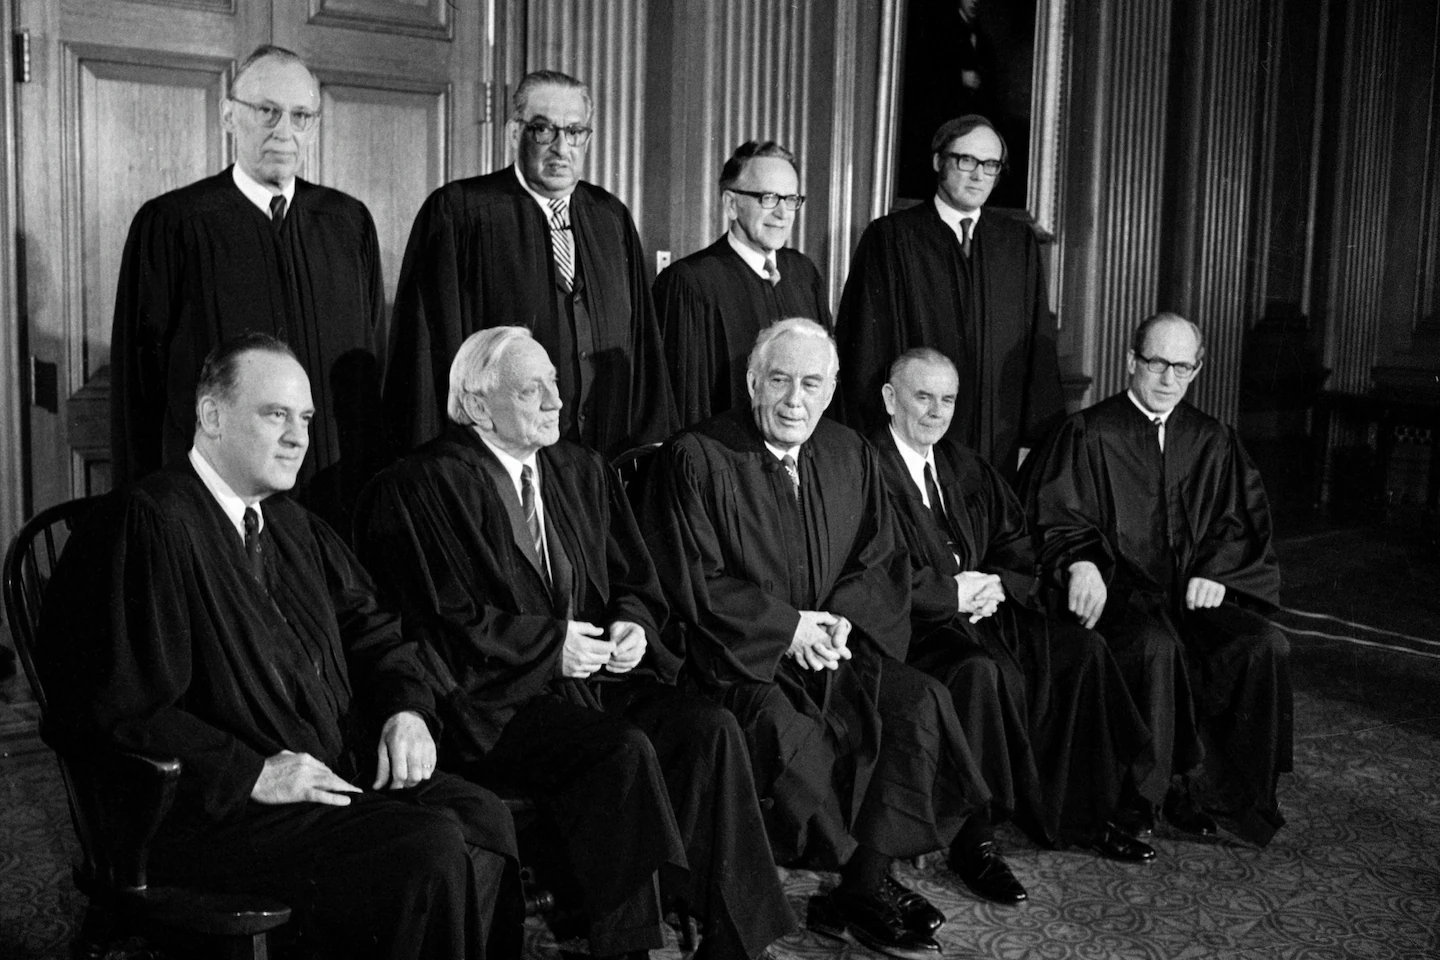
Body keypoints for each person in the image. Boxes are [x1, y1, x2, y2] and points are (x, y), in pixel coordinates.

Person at [37, 334, 519, 960]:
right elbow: (111, 710)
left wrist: (407, 710)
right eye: (276, 415)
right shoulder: (148, 522)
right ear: (212, 416)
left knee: (482, 817)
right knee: (424, 846)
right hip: (211, 811)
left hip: (325, 777)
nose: (299, 437)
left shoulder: (291, 522)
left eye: (307, 419)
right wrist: (253, 774)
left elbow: (375, 632)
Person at [354, 327, 795, 960]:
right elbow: (441, 622)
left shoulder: (579, 469)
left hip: (595, 682)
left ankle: (733, 942)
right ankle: (627, 949)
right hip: (497, 702)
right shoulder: (423, 486)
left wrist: (633, 626)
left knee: (710, 728)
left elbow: (635, 580)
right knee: (620, 751)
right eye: (533, 391)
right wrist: (550, 648)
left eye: (556, 386)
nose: (557, 403)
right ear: (479, 405)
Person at [641, 317, 994, 959]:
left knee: (918, 703)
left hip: (833, 647)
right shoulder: (698, 457)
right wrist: (787, 628)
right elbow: (693, 579)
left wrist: (838, 623)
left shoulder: (846, 452)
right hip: (739, 660)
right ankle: (833, 886)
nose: (793, 400)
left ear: (831, 390)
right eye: (778, 381)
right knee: (788, 731)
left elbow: (878, 557)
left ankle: (861, 885)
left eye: (810, 383)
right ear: (753, 383)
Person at [872, 348, 1156, 886]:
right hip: (918, 626)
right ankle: (971, 839)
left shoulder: (963, 463)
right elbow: (871, 569)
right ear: (891, 398)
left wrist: (997, 584)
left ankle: (1080, 815)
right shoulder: (865, 468)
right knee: (980, 672)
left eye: (948, 400)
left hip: (989, 611)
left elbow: (1016, 540)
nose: (936, 412)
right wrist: (949, 594)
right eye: (922, 397)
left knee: (1082, 652)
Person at [1024, 312, 1291, 846]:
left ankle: (1211, 792)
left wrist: (1218, 572)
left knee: (1264, 644)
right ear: (1131, 362)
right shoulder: (1088, 432)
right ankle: (1138, 798)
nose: (1169, 378)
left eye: (1183, 367)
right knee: (1155, 646)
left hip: (1192, 595)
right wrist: (1080, 563)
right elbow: (1053, 517)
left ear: (1197, 368)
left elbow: (1242, 523)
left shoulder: (1212, 439)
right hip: (1120, 595)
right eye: (1157, 363)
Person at [110, 46, 389, 508]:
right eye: (267, 112)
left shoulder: (348, 223)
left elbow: (369, 371)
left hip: (334, 499)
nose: (284, 131)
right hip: (215, 505)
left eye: (301, 116)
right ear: (228, 115)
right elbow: (138, 391)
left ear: (314, 127)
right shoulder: (173, 224)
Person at [384, 69, 676, 459]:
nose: (560, 147)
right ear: (513, 133)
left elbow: (644, 349)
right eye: (543, 130)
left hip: (599, 455)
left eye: (574, 132)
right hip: (499, 456)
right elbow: (426, 355)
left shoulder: (610, 217)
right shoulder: (461, 212)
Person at [836, 114, 1064, 481]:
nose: (978, 175)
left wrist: (1036, 439)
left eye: (990, 165)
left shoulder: (1016, 244)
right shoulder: (892, 238)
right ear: (938, 161)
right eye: (966, 161)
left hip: (995, 444)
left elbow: (1037, 351)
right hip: (911, 443)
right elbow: (864, 347)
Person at [653, 140, 830, 426]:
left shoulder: (803, 274)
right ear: (731, 204)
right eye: (768, 198)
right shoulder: (690, 283)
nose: (782, 214)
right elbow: (685, 409)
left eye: (791, 199)